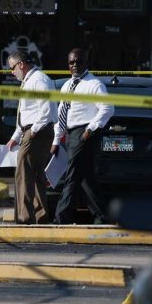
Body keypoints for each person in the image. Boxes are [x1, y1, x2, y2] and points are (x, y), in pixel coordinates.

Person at [51, 48, 114, 224]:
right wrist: (56, 140)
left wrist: (90, 129)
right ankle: (102, 217)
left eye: (79, 62)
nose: (75, 65)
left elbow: (107, 108)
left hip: (83, 133)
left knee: (71, 175)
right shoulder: (67, 85)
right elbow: (61, 114)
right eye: (71, 62)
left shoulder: (94, 84)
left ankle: (60, 218)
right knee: (86, 178)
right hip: (71, 134)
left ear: (87, 63)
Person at [5, 51, 57, 224]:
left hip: (38, 132)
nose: (12, 72)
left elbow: (46, 109)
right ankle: (40, 216)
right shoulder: (29, 81)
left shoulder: (39, 80)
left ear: (21, 64)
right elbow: (27, 113)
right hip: (33, 130)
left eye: (12, 68)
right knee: (35, 175)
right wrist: (16, 136)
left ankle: (24, 217)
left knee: (23, 174)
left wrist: (33, 131)